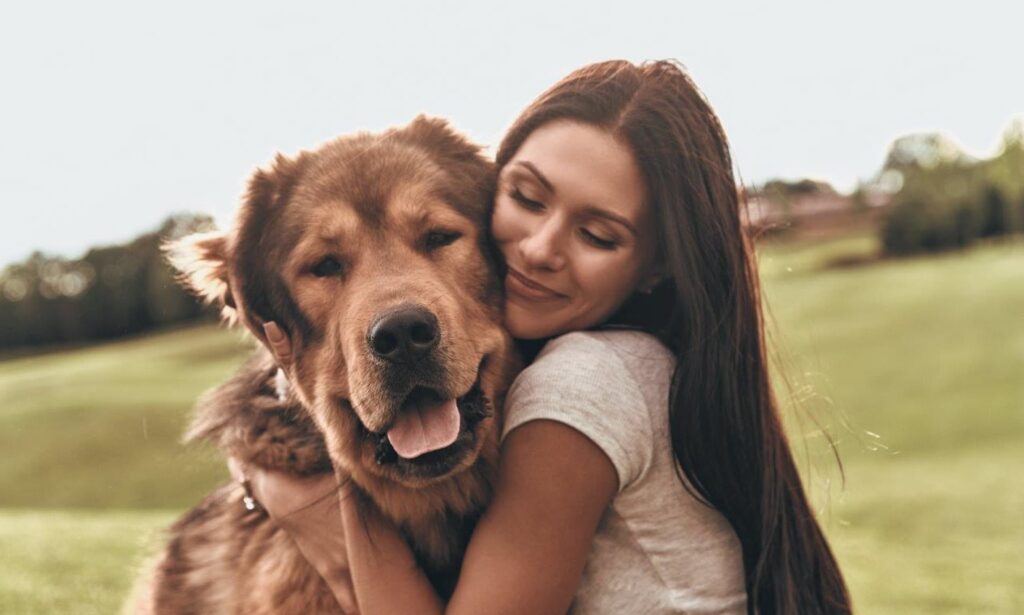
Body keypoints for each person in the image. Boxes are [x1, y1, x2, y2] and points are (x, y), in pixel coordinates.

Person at [235, 59, 852, 614]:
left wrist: (328, 522)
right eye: (528, 199)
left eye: (599, 235)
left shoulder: (581, 385)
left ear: (657, 265)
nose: (537, 250)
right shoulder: (662, 367)